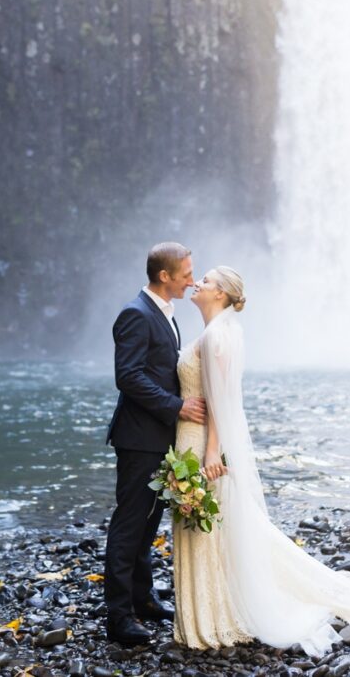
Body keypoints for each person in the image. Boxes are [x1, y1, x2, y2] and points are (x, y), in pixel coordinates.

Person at [173, 266, 350, 656]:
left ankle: (214, 616)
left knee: (208, 528)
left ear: (220, 294)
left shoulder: (214, 337)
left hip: (203, 442)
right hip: (196, 437)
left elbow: (221, 403)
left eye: (205, 281)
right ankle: (215, 609)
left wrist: (211, 451)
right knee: (215, 528)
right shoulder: (223, 331)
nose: (197, 284)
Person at [104, 242, 207, 646]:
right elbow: (127, 377)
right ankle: (118, 616)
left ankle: (143, 600)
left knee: (148, 525)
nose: (192, 280)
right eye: (186, 273)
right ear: (164, 276)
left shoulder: (163, 312)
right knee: (129, 525)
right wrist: (178, 407)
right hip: (139, 438)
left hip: (160, 437)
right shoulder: (135, 313)